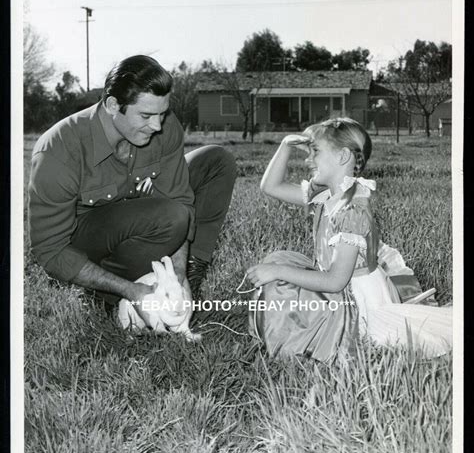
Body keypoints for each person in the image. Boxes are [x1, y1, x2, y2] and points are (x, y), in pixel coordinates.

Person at [28, 55, 237, 316]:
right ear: (113, 105)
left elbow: (180, 198)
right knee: (172, 217)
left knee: (216, 161)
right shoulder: (58, 149)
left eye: (162, 113)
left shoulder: (164, 126)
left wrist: (179, 275)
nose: (157, 125)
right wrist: (129, 290)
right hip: (88, 238)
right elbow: (50, 250)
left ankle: (188, 278)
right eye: (147, 115)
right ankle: (104, 292)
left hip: (137, 210)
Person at [246, 117, 452, 363]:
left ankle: (301, 340)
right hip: (339, 282)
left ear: (343, 156)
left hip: (354, 298)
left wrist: (279, 271)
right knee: (278, 263)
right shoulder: (326, 195)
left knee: (279, 275)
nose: (307, 159)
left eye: (315, 152)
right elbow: (271, 186)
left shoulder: (351, 210)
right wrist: (285, 146)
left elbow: (335, 282)